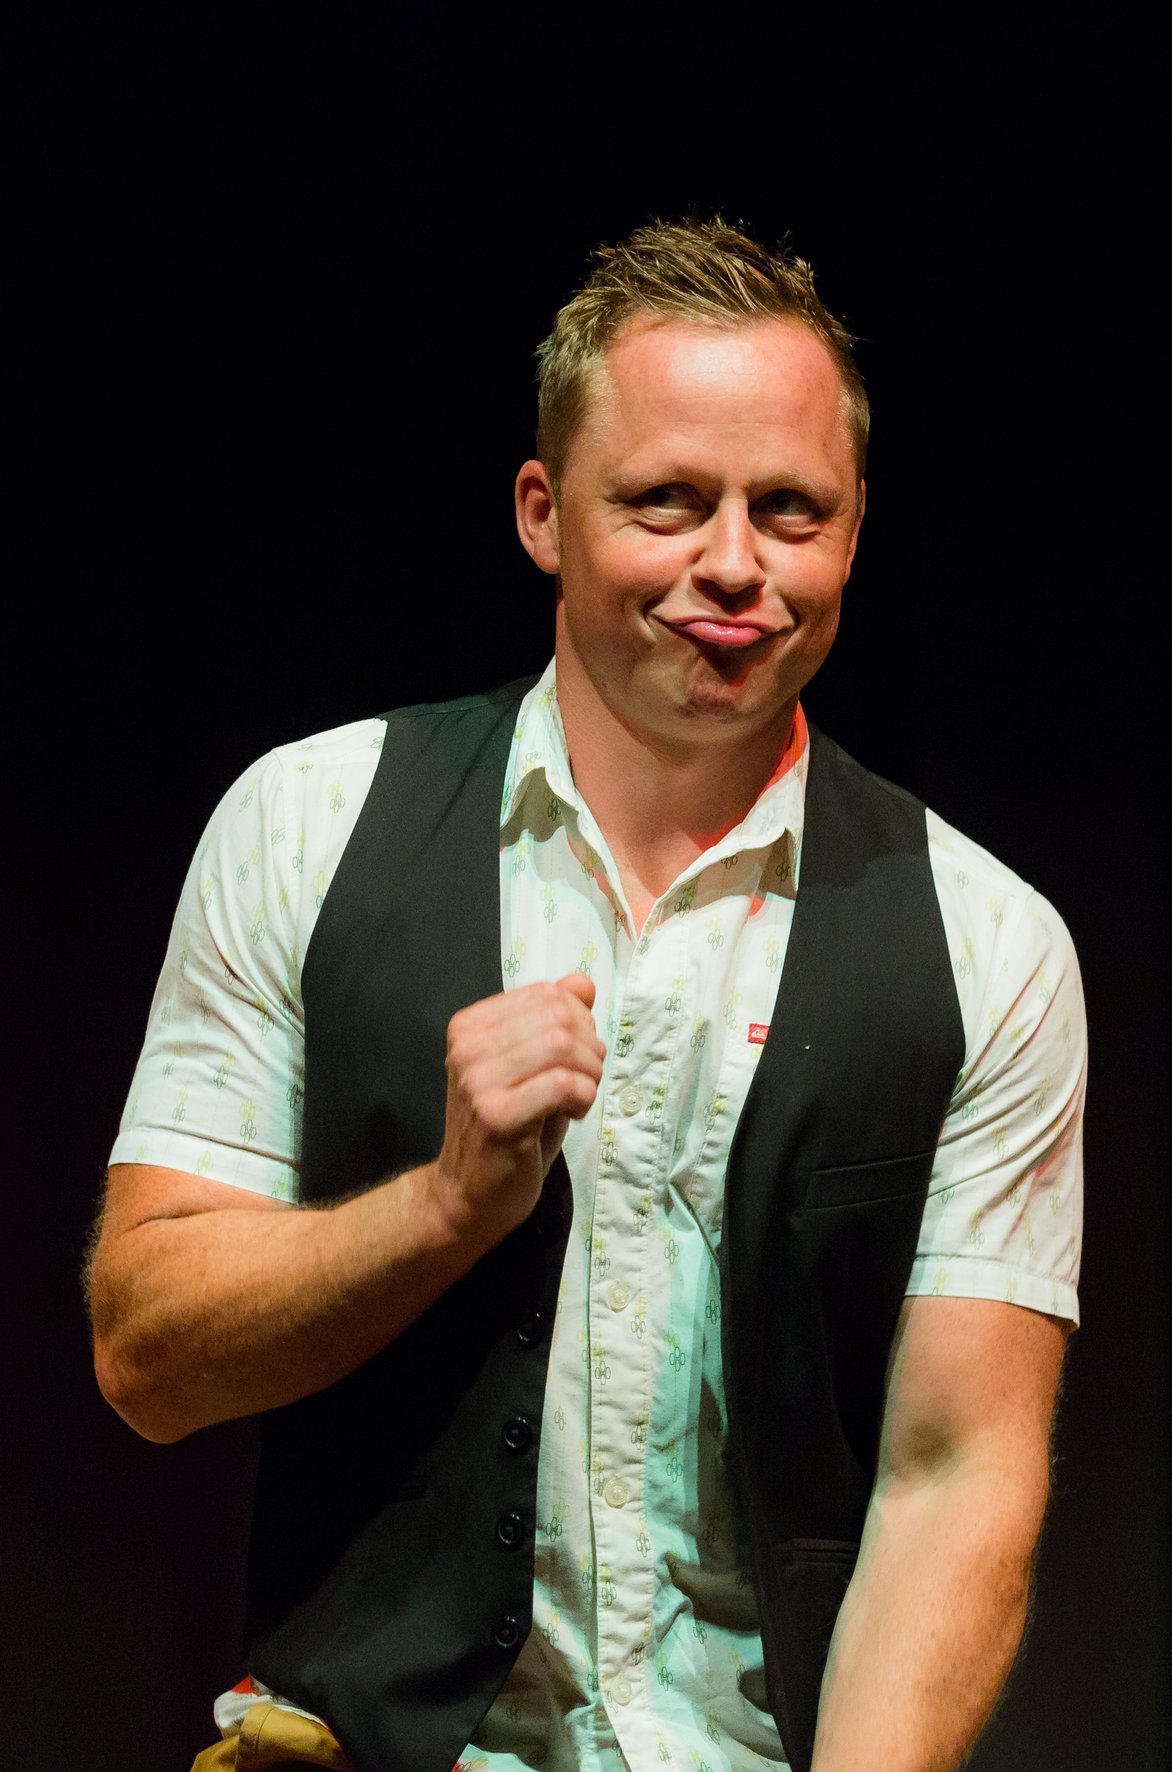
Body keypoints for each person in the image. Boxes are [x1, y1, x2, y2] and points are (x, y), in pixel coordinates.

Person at [87, 217, 1086, 1772]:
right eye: (666, 500)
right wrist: (440, 1208)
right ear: (543, 514)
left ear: (853, 531)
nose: (732, 564)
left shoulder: (987, 939)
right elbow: (147, 1360)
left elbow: (954, 1475)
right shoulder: (308, 824)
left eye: (790, 509)